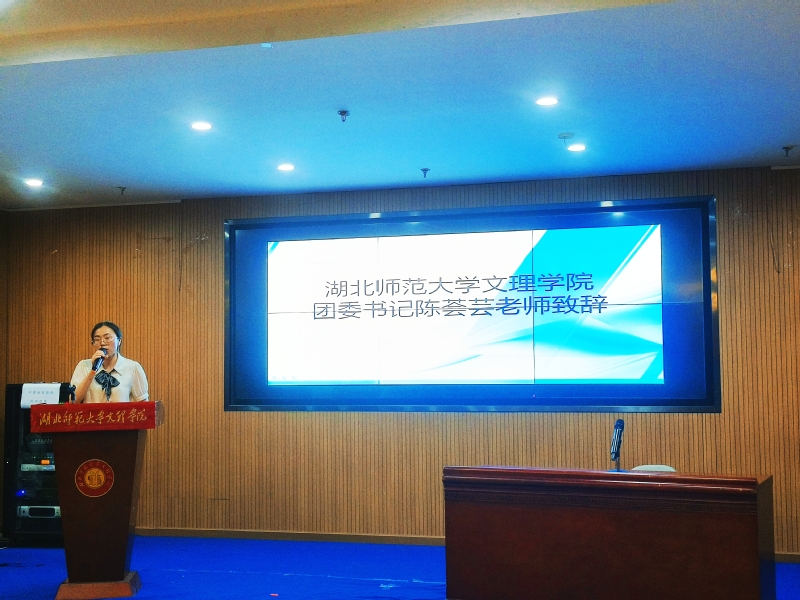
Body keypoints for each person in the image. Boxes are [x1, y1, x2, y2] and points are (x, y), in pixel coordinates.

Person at [71, 321, 149, 403]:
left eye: (107, 338)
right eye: (97, 339)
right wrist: (93, 370)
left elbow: (143, 405)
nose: (102, 343)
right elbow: (73, 401)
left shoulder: (133, 368)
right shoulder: (84, 366)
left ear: (119, 341)